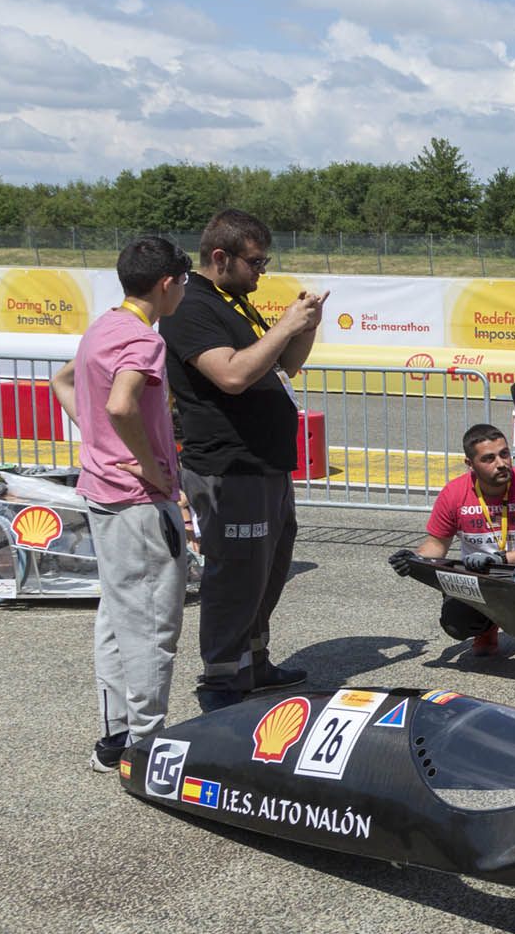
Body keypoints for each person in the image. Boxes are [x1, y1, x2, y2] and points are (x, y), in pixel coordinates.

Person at [160, 210, 326, 713]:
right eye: (255, 262)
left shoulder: (232, 302)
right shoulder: (190, 308)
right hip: (228, 468)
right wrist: (285, 325)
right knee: (236, 576)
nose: (262, 271)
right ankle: (220, 681)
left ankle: (254, 662)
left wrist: (305, 328)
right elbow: (231, 376)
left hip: (265, 463)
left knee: (268, 569)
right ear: (220, 257)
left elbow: (284, 366)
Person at [47, 237, 191, 772]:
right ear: (167, 283)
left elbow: (63, 381)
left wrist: (97, 440)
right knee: (153, 626)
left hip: (101, 493)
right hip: (137, 503)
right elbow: (121, 403)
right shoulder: (142, 339)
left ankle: (116, 735)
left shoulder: (102, 326)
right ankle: (146, 744)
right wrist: (153, 468)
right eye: (183, 282)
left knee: (116, 617)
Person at [397, 423, 515, 666]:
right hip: (482, 578)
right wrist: (411, 559)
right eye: (489, 458)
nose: (501, 463)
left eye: (504, 454)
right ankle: (486, 628)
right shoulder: (454, 493)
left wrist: (504, 558)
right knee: (456, 623)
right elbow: (436, 546)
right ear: (470, 464)